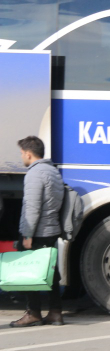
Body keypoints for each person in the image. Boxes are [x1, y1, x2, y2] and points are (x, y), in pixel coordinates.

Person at [10, 136, 65, 328]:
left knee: (30, 272)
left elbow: (32, 208)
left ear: (28, 153)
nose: (21, 157)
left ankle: (33, 313)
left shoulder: (34, 173)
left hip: (38, 231)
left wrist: (27, 235)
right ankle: (56, 313)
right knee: (50, 273)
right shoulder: (53, 171)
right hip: (51, 229)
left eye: (21, 154)